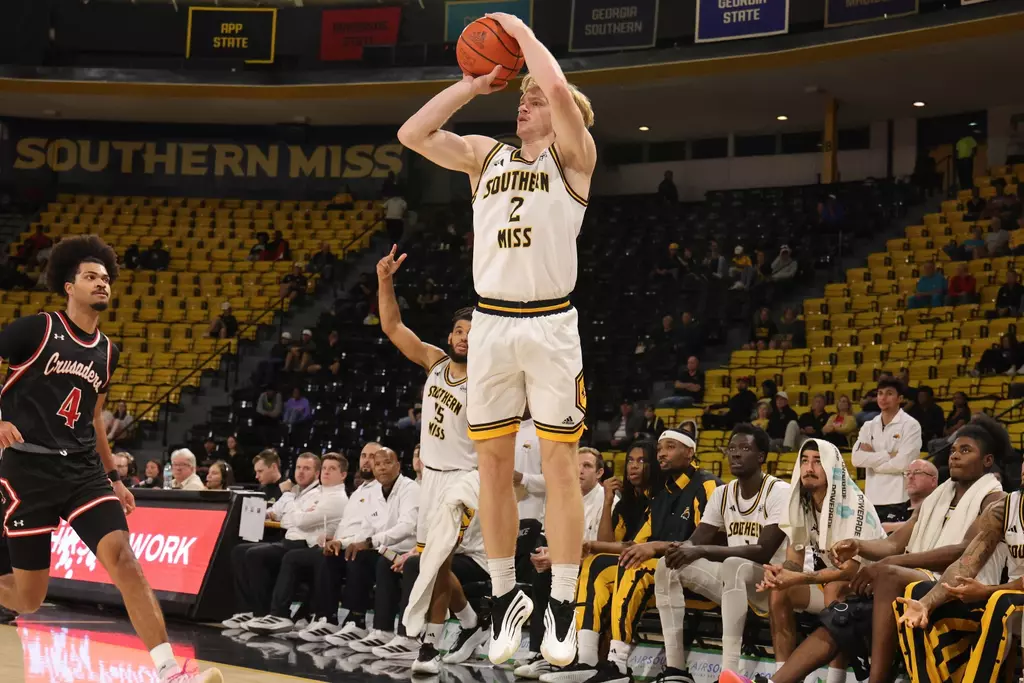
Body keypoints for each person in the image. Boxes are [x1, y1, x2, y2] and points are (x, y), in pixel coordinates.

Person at [398, 10, 597, 667]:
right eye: (523, 95)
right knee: (490, 469)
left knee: (562, 464)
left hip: (550, 322)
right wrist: (474, 84)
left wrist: (520, 30)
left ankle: (563, 602)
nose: (527, 101)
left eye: (534, 96)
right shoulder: (485, 156)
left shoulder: (575, 158)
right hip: (490, 324)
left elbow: (561, 92)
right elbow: (413, 132)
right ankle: (510, 593)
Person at [0, 235, 220, 682]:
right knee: (29, 599)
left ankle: (170, 672)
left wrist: (114, 476)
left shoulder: (108, 351)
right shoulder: (36, 329)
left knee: (123, 558)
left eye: (105, 278)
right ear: (68, 285)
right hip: (28, 468)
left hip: (82, 470)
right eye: (90, 277)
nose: (101, 283)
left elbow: (94, 416)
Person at [748, 418, 1005, 683]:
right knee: (844, 615)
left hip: (962, 588)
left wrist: (889, 563)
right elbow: (893, 543)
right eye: (953, 451)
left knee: (886, 574)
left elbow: (963, 551)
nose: (955, 456)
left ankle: (877, 679)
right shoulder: (938, 497)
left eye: (965, 451)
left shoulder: (994, 500)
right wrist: (859, 546)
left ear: (987, 461)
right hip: (919, 579)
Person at [376, 245, 483, 673]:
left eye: (472, 333)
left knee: (437, 558)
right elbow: (393, 325)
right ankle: (471, 621)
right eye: (459, 330)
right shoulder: (435, 362)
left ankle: (430, 645)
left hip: (465, 479)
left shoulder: (490, 382)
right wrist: (386, 281)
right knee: (433, 560)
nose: (463, 337)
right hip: (432, 478)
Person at [719, 439, 887, 683]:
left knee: (834, 588)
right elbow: (794, 560)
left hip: (869, 591)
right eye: (805, 461)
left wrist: (799, 576)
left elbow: (850, 572)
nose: (809, 468)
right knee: (780, 591)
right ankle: (784, 676)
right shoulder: (801, 502)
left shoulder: (854, 504)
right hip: (827, 583)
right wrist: (781, 574)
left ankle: (835, 679)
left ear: (833, 467)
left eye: (818, 462)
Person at [655, 425, 789, 680]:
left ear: (761, 457)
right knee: (668, 565)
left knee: (733, 564)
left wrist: (702, 550)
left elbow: (763, 551)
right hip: (735, 586)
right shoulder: (723, 493)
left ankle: (729, 673)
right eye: (732, 449)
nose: (735, 454)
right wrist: (676, 549)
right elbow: (696, 543)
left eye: (745, 448)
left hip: (774, 585)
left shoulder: (779, 491)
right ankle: (676, 669)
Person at [539, 441, 663, 682]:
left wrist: (591, 545)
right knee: (588, 565)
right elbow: (610, 542)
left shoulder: (659, 499)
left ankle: (602, 660)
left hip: (652, 569)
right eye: (630, 460)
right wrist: (608, 500)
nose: (633, 466)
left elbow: (632, 547)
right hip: (626, 566)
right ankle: (577, 658)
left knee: (594, 564)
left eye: (641, 461)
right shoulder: (626, 503)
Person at [895, 458, 1024, 683]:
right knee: (915, 594)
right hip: (1007, 597)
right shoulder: (1005, 508)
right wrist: (926, 603)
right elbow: (966, 563)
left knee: (1001, 601)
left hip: (1006, 598)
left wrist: (987, 591)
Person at [239, 453, 350, 635]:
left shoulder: (336, 498)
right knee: (243, 552)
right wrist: (292, 512)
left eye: (332, 469)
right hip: (300, 542)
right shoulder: (317, 493)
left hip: (314, 546)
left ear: (343, 475)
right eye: (325, 468)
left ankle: (279, 614)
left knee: (284, 556)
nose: (326, 472)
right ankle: (260, 612)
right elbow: (284, 516)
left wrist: (288, 498)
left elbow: (299, 521)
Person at [221, 453, 323, 631]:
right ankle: (248, 609)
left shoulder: (317, 494)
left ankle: (264, 612)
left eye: (306, 468)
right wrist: (278, 511)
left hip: (302, 544)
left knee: (255, 555)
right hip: (287, 541)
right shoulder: (295, 491)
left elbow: (296, 520)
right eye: (298, 467)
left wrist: (287, 502)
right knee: (239, 551)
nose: (300, 472)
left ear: (317, 473)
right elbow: (273, 511)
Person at [852, 378, 923, 519]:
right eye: (880, 393)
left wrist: (873, 463)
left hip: (899, 499)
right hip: (872, 499)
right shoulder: (868, 426)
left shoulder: (911, 425)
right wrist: (888, 455)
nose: (883, 398)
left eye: (889, 393)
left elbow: (903, 463)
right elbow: (856, 459)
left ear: (900, 398)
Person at [881, 459, 938, 532]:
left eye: (917, 472)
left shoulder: (940, 509)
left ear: (933, 481)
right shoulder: (892, 510)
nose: (910, 477)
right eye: (908, 473)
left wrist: (891, 527)